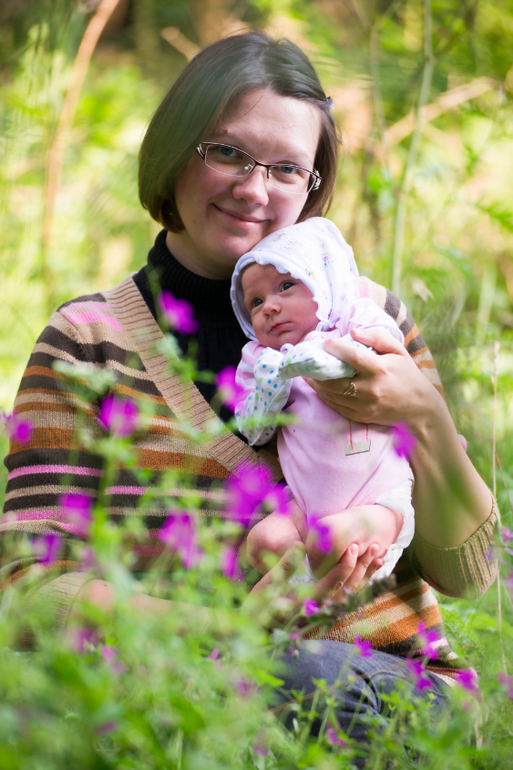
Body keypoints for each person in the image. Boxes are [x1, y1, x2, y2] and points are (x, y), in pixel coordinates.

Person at [1, 29, 497, 755]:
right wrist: (217, 638)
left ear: (311, 187)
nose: (253, 188)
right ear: (174, 153)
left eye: (286, 168)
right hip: (180, 696)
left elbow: (468, 574)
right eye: (226, 152)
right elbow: (29, 588)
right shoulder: (89, 339)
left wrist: (424, 413)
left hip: (385, 689)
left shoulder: (369, 320)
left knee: (300, 679)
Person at [230, 217, 415, 582]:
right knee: (263, 541)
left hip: (375, 495)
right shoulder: (260, 357)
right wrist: (275, 381)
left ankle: (348, 563)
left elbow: (384, 351)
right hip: (306, 503)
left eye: (286, 285)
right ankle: (305, 594)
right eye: (255, 301)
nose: (269, 306)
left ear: (321, 281)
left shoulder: (350, 317)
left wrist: (326, 357)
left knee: (330, 543)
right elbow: (254, 431)